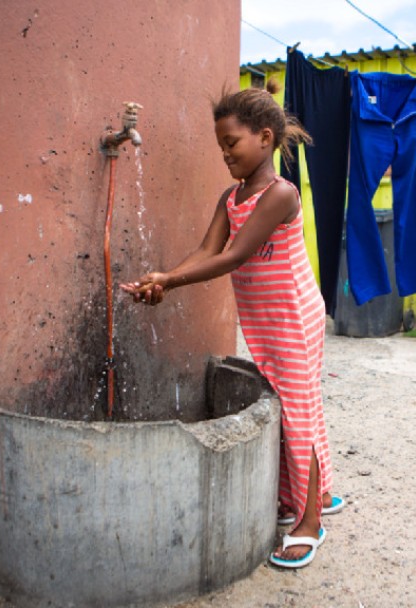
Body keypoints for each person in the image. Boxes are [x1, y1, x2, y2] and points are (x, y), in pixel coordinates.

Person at [119, 81, 344, 569]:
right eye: (220, 145)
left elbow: (236, 256)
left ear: (265, 138)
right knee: (292, 403)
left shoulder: (280, 195)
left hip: (291, 316)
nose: (225, 154)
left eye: (232, 143)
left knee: (298, 412)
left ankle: (310, 524)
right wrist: (163, 279)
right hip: (264, 318)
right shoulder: (231, 196)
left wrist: (171, 280)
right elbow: (207, 251)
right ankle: (316, 495)